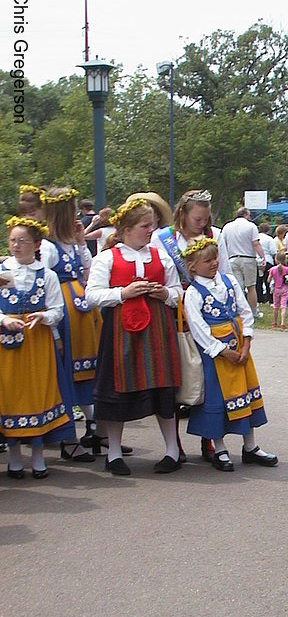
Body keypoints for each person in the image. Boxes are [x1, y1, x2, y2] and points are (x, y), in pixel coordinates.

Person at [85, 199, 183, 476]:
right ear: (127, 229)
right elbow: (91, 294)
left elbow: (179, 293)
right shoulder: (107, 258)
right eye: (145, 226)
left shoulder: (161, 257)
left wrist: (165, 294)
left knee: (163, 387)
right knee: (118, 390)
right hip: (121, 333)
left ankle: (171, 450)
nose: (151, 230)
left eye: (151, 225)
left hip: (158, 332)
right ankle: (114, 453)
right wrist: (123, 293)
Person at [181, 237, 277, 471]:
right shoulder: (193, 293)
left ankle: (250, 446)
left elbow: (245, 311)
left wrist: (246, 343)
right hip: (217, 356)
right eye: (207, 260)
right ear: (192, 265)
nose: (214, 263)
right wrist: (223, 351)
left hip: (240, 350)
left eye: (215, 258)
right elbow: (198, 329)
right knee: (219, 399)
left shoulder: (229, 281)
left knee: (246, 393)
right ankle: (220, 448)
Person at [149, 189, 221, 464]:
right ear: (182, 214)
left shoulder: (214, 235)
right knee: (176, 376)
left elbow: (221, 273)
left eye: (205, 219)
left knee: (209, 377)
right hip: (173, 313)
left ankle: (210, 440)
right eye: (197, 218)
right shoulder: (163, 238)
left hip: (207, 313)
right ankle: (173, 444)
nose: (201, 224)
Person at [0, 216, 75, 478]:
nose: (17, 246)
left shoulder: (47, 275)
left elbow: (57, 309)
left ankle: (39, 455)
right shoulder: (2, 271)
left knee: (39, 393)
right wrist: (4, 319)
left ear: (36, 244)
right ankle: (14, 456)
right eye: (13, 241)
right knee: (10, 395)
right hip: (6, 346)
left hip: (37, 342)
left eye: (23, 241)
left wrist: (43, 317)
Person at [40, 187, 102, 463]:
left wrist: (79, 242)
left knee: (87, 372)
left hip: (81, 312)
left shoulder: (68, 243)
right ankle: (68, 439)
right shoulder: (48, 247)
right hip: (64, 316)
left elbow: (85, 269)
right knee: (66, 374)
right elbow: (42, 284)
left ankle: (95, 428)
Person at [221, 207, 266, 319]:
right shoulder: (251, 226)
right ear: (246, 215)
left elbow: (223, 244)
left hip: (232, 258)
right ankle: (253, 312)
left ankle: (238, 312)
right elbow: (256, 243)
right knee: (251, 287)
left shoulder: (227, 226)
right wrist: (263, 256)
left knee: (237, 288)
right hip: (248, 259)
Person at [268, 251, 288, 330]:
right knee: (283, 306)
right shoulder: (287, 269)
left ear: (276, 259)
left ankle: (274, 322)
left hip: (276, 289)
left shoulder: (272, 269)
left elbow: (268, 279)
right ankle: (283, 322)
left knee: (275, 306)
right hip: (284, 288)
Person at [257, 222, 277, 303]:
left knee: (258, 281)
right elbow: (273, 251)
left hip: (256, 261)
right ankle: (270, 298)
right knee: (268, 281)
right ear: (268, 230)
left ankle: (259, 299)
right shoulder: (269, 239)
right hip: (267, 260)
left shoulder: (255, 238)